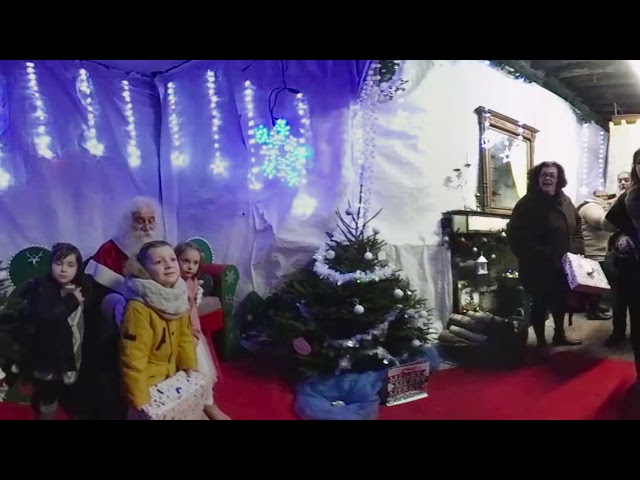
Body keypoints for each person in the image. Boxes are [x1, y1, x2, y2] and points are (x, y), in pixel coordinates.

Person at [506, 161, 585, 348]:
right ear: (537, 178)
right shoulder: (527, 204)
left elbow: (577, 229)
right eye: (544, 175)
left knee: (560, 301)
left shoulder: (566, 202)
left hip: (564, 265)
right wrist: (545, 254)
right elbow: (517, 236)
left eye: (552, 175)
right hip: (537, 266)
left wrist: (576, 253)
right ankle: (540, 342)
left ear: (559, 179)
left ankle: (559, 335)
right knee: (539, 303)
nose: (548, 179)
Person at [120, 240, 198, 417]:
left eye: (172, 259)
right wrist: (140, 399)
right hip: (148, 382)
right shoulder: (139, 308)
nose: (169, 265)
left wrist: (188, 365)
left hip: (171, 377)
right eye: (158, 262)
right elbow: (133, 357)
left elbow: (184, 337)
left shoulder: (178, 295)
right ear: (144, 271)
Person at [20, 243, 93, 420]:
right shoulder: (40, 287)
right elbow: (46, 315)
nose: (63, 270)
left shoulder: (83, 286)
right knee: (48, 395)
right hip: (49, 358)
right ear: (50, 264)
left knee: (69, 392)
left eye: (70, 265)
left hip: (74, 355)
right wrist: (71, 300)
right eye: (58, 263)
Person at [175, 241, 230, 420]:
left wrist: (196, 333)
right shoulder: (172, 283)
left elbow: (192, 313)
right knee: (186, 373)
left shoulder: (192, 282)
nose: (190, 266)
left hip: (191, 332)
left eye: (195, 263)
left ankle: (208, 404)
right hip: (175, 335)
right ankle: (194, 407)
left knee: (203, 371)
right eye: (185, 261)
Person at [605, 149, 640, 388]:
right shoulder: (629, 197)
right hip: (634, 271)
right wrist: (619, 238)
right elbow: (610, 225)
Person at [576, 190, 616, 320]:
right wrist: (616, 209)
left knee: (598, 285)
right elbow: (602, 222)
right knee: (595, 286)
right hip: (593, 253)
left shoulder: (594, 207)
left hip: (596, 252)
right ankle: (593, 311)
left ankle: (595, 307)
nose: (607, 201)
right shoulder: (591, 207)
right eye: (606, 198)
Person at [603, 171, 632, 347]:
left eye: (625, 180)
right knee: (619, 298)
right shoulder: (620, 201)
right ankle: (618, 332)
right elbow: (609, 228)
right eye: (620, 180)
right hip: (622, 258)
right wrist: (619, 238)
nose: (622, 183)